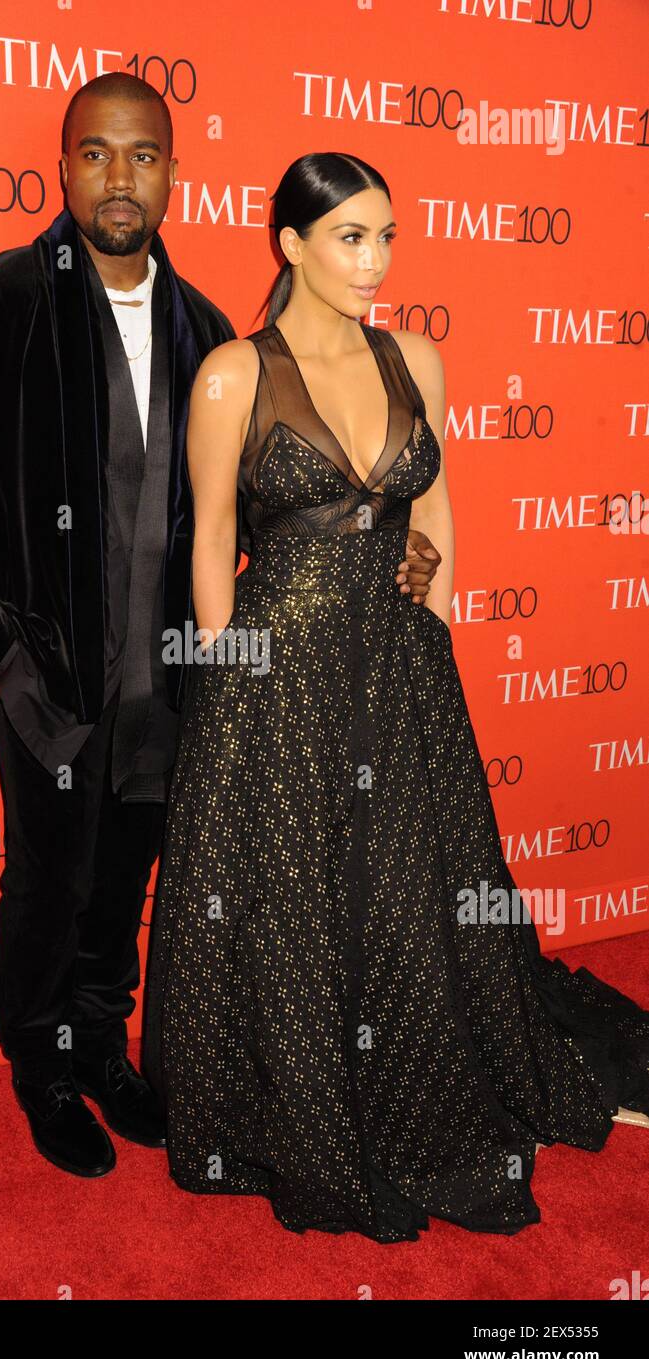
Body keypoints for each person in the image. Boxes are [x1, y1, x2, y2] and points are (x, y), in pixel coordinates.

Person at [0, 80, 443, 1182]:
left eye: (143, 157)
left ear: (174, 174)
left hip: (177, 679)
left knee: (126, 878)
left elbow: (266, 508)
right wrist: (0, 652)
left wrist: (390, 551)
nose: (120, 178)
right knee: (45, 884)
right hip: (46, 676)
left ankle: (100, 1044)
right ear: (65, 170)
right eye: (97, 155)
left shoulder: (209, 335)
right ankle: (41, 1067)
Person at [140, 152, 649, 1241]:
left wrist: (433, 623)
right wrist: (232, 699)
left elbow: (438, 508)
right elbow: (213, 542)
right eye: (350, 238)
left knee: (414, 885)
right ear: (290, 245)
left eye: (386, 237)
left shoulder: (413, 356)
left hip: (401, 668)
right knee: (296, 895)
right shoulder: (233, 373)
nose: (374, 262)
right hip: (277, 678)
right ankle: (305, 1104)